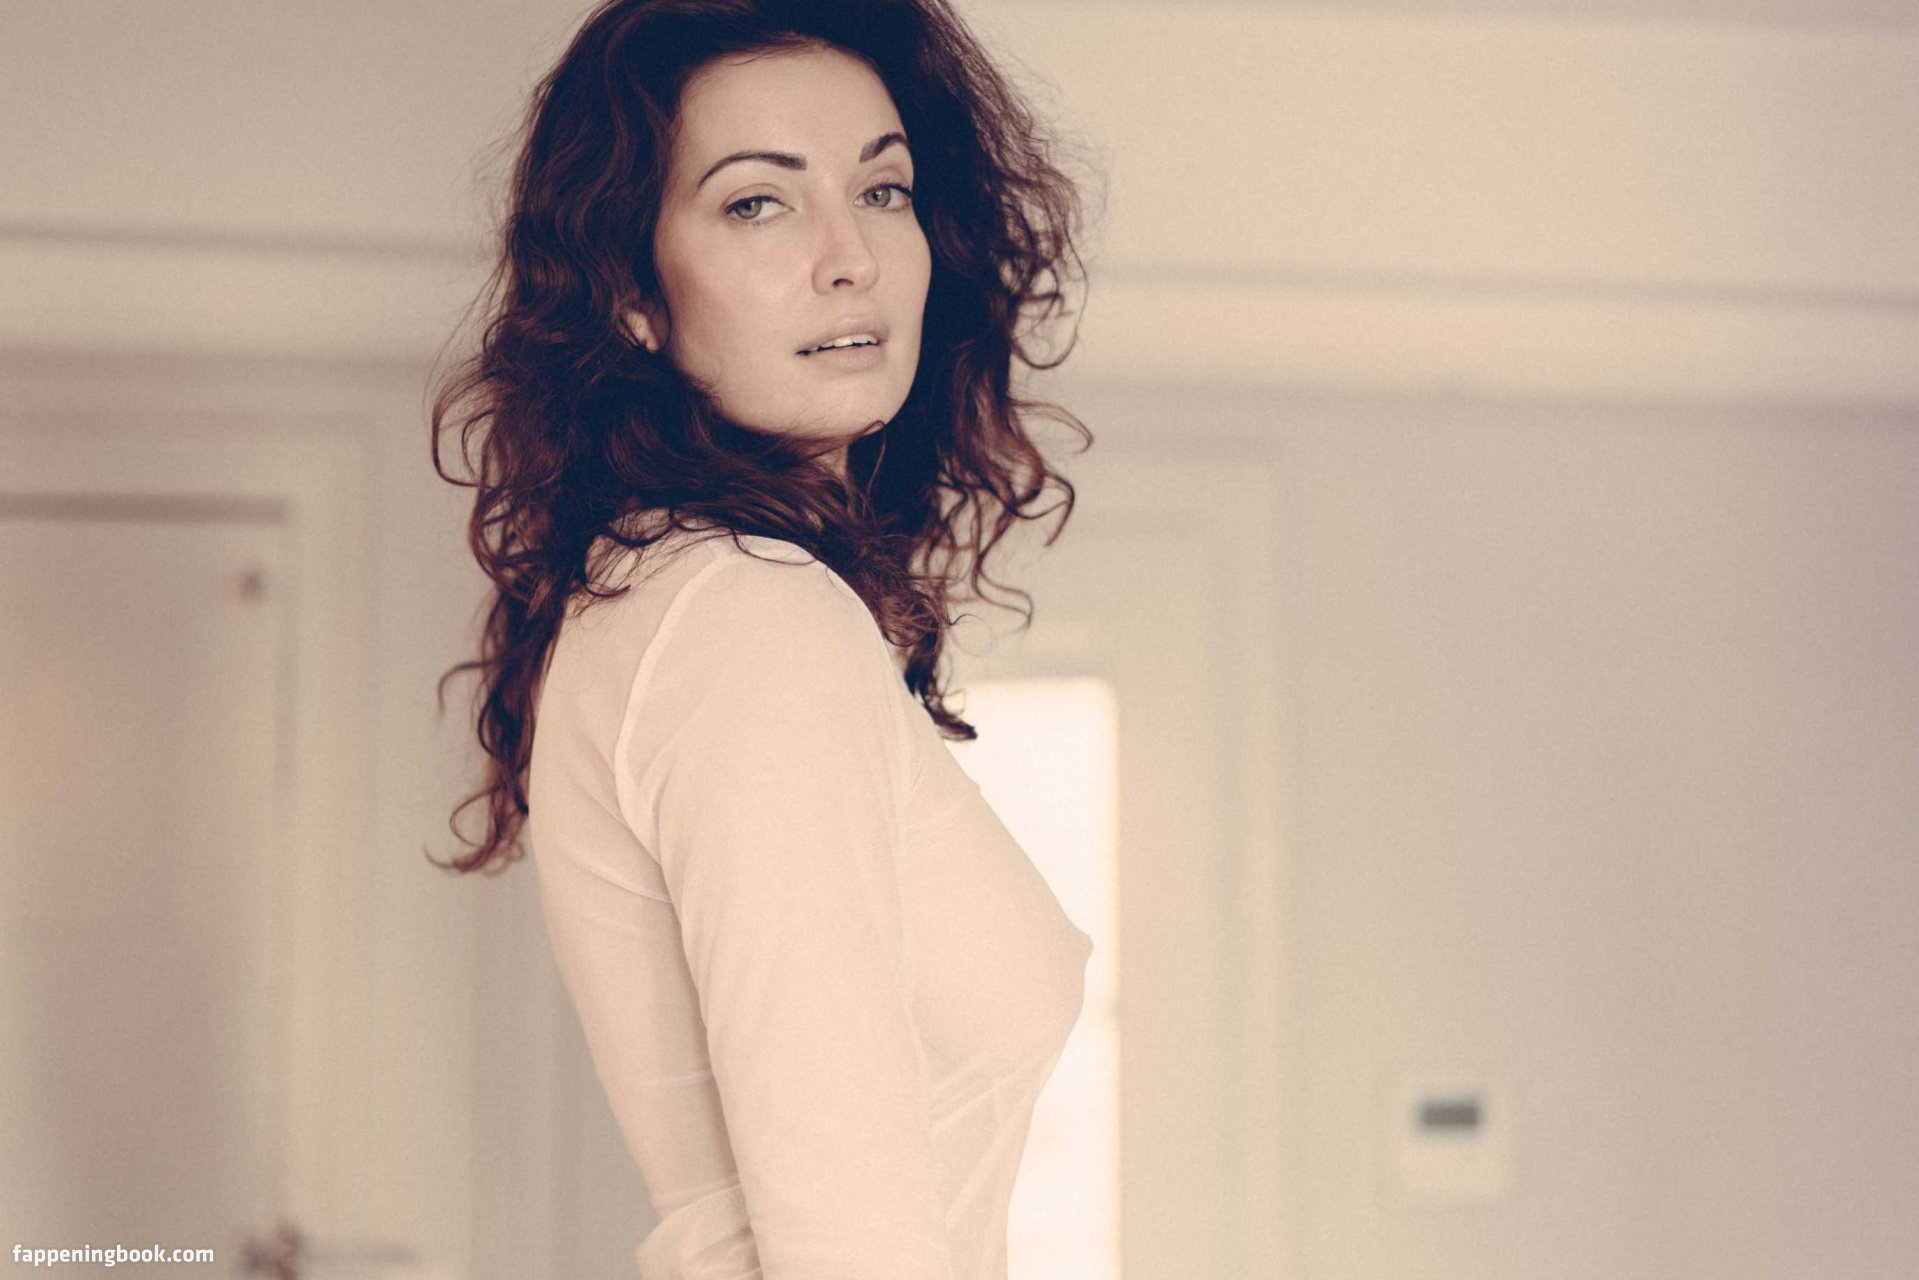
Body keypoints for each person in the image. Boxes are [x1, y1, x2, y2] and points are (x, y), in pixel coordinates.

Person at [427, 1, 1102, 1276]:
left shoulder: (676, 588)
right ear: (632, 293)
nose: (849, 257)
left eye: (883, 190)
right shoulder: (747, 608)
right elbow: (847, 1230)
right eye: (757, 203)